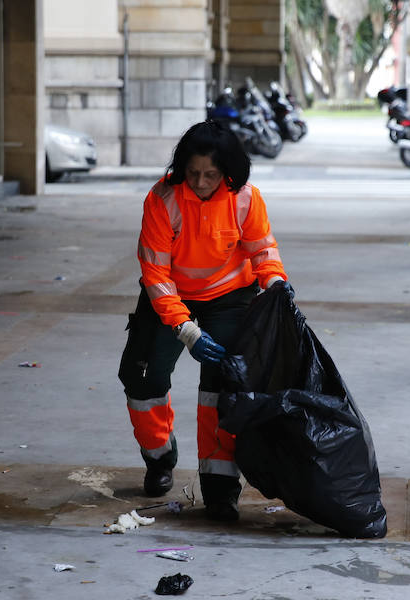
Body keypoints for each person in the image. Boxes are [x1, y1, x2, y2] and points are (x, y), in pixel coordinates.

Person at [118, 120, 290, 521]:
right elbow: (155, 274)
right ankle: (159, 458)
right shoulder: (162, 199)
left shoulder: (246, 198)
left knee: (224, 386)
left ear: (228, 172)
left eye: (210, 175)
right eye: (192, 173)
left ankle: (220, 490)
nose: (200, 182)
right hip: (169, 296)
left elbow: (262, 249)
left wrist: (276, 282)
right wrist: (186, 328)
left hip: (230, 296)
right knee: (143, 380)